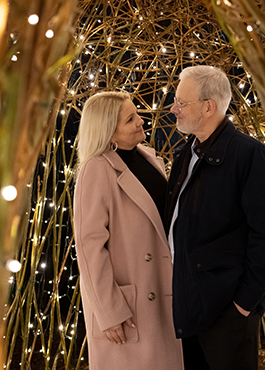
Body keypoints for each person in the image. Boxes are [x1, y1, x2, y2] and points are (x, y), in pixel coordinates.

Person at [164, 66, 265, 370]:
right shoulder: (185, 155)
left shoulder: (248, 155)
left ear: (209, 107)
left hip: (228, 312)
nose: (173, 108)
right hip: (190, 305)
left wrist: (244, 304)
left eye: (182, 102)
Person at [73, 91, 184, 370]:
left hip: (162, 290)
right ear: (109, 131)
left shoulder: (147, 157)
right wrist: (108, 312)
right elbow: (89, 249)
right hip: (128, 306)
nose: (140, 122)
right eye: (130, 119)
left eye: (136, 114)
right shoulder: (96, 170)